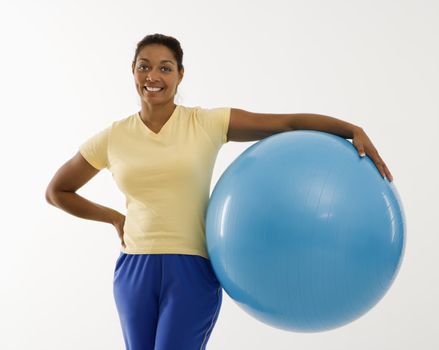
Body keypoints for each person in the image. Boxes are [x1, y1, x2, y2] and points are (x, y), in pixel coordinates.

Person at [45, 33, 394, 350]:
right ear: (133, 72)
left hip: (192, 269)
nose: (153, 76)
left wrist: (350, 128)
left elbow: (284, 123)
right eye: (144, 67)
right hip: (134, 270)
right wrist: (113, 217)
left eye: (165, 68)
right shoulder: (113, 136)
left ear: (180, 75)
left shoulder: (205, 124)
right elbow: (58, 191)